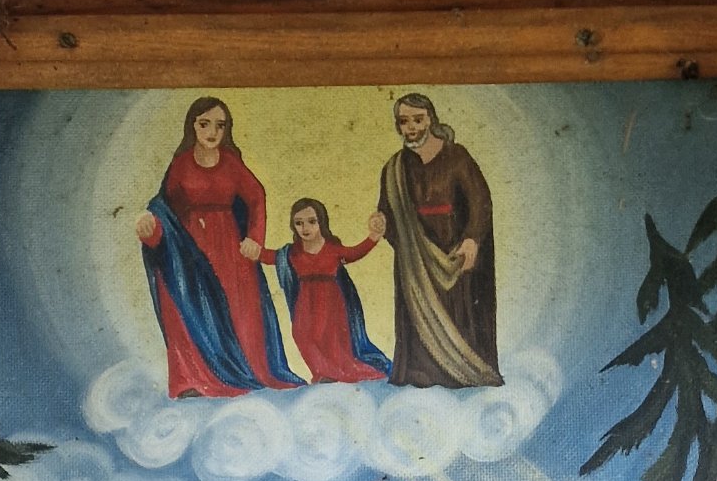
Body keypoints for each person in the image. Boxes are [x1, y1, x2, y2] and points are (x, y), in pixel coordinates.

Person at [136, 96, 303, 398]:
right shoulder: (181, 165)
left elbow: (256, 197)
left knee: (241, 309)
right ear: (192, 126)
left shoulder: (232, 163)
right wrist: (151, 227)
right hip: (192, 251)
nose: (212, 131)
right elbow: (165, 210)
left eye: (220, 125)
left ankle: (246, 372)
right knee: (190, 307)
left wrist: (254, 237)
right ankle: (193, 380)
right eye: (205, 124)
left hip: (229, 248)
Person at [375, 93, 502, 389]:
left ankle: (465, 375)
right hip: (417, 264)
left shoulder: (457, 157)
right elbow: (389, 214)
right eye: (404, 122)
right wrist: (382, 222)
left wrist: (472, 239)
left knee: (460, 318)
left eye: (418, 120)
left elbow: (480, 201)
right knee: (420, 343)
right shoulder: (394, 169)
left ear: (431, 119)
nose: (411, 128)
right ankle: (421, 378)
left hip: (456, 256)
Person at [261, 198, 390, 383]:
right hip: (305, 302)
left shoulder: (331, 249)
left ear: (321, 221)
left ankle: (334, 373)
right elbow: (272, 257)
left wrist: (373, 237)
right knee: (303, 335)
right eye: (299, 223)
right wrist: (255, 252)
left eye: (311, 221)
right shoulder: (292, 252)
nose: (305, 228)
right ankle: (321, 372)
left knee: (331, 340)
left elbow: (354, 253)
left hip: (331, 302)